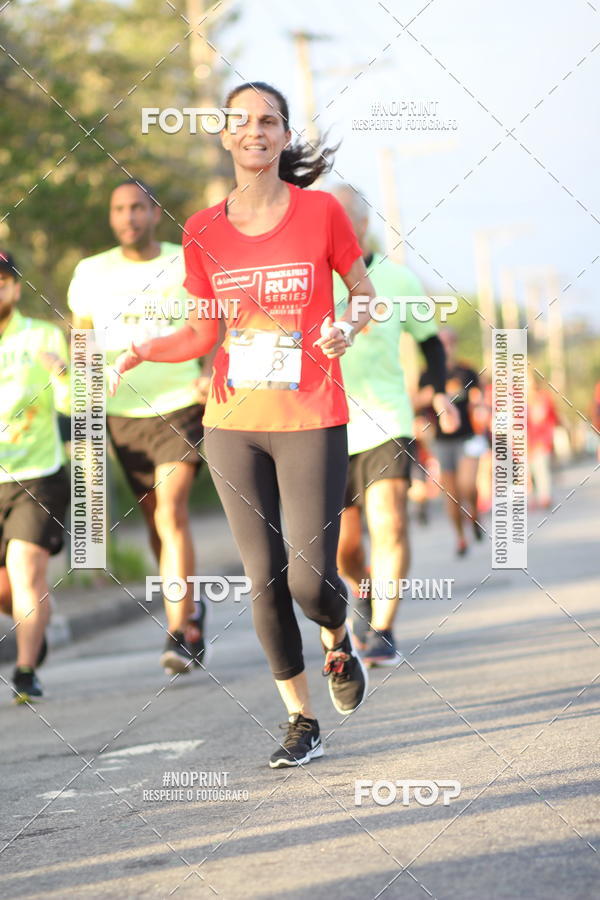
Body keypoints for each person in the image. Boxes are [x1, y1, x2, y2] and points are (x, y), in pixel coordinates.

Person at [111, 82, 377, 768]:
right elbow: (203, 330)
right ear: (226, 135)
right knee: (264, 577)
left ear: (285, 136)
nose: (254, 130)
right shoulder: (201, 229)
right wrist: (145, 349)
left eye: (268, 120)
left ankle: (337, 636)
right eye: (241, 121)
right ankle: (300, 719)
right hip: (232, 421)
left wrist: (347, 327)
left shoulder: (320, 213)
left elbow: (363, 294)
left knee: (309, 581)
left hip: (310, 415)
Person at [68, 180, 209, 675]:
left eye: (136, 207)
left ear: (154, 212)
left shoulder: (183, 261)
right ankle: (190, 604)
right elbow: (82, 342)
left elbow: (211, 323)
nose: (128, 217)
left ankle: (180, 631)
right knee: (155, 523)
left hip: (179, 404)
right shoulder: (90, 272)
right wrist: (83, 403)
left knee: (171, 513)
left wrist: (209, 371)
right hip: (122, 413)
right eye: (119, 209)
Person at [330, 185, 459, 666]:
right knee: (344, 548)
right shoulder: (313, 276)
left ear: (363, 225)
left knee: (390, 522)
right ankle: (363, 592)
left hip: (386, 419)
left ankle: (382, 630)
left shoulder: (398, 280)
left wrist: (436, 390)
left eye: (342, 217)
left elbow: (431, 344)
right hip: (327, 423)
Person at [0, 251, 70, 703]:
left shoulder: (42, 336)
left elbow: (70, 404)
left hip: (37, 476)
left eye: (1, 282)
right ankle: (35, 624)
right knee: (6, 588)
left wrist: (61, 374)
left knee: (26, 568)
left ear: (14, 287)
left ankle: (25, 671)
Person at [417, 328, 487, 555]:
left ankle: (474, 514)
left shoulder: (466, 371)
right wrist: (429, 397)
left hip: (468, 436)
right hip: (442, 441)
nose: (445, 347)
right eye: (441, 343)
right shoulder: (427, 375)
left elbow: (479, 399)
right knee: (452, 494)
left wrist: (481, 408)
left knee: (468, 484)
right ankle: (460, 537)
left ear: (455, 344)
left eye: (449, 343)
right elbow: (417, 404)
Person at [528, 371, 559, 508]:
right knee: (531, 470)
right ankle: (533, 497)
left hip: (542, 440)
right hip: (526, 441)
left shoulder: (544, 397)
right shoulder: (519, 401)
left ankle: (544, 496)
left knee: (541, 467)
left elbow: (551, 417)